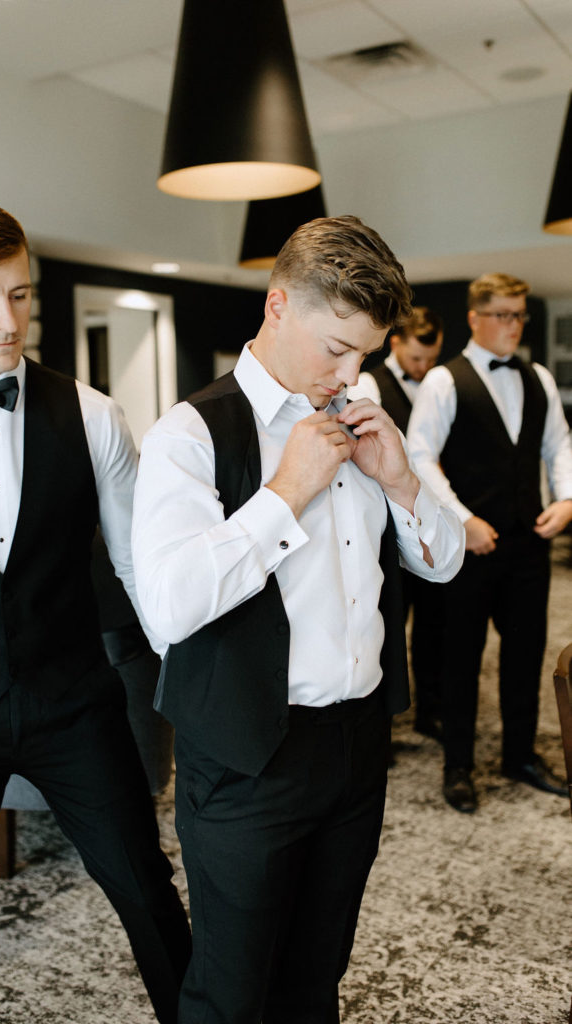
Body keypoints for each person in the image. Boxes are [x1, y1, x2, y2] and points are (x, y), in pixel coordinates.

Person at [132, 215, 464, 1024]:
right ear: (278, 305)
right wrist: (285, 493)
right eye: (336, 348)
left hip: (356, 746)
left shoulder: (361, 409)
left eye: (366, 355)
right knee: (231, 990)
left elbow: (444, 560)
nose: (350, 374)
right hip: (248, 756)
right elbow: (169, 607)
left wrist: (400, 483)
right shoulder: (188, 434)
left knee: (317, 978)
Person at [0, 196, 191, 1024]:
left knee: (147, 892)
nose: (7, 319)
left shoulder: (94, 415)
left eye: (19, 294)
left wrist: (198, 687)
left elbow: (143, 572)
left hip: (78, 708)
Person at [407, 272, 572, 814]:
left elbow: (559, 445)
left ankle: (519, 756)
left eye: (519, 314)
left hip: (528, 543)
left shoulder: (540, 378)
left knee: (525, 655)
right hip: (469, 550)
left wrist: (568, 499)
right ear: (475, 318)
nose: (513, 325)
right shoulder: (443, 381)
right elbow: (419, 457)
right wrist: (462, 518)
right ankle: (457, 765)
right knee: (462, 658)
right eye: (502, 314)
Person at [349, 307, 445, 739]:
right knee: (387, 624)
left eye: (431, 360)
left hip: (424, 513)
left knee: (432, 630)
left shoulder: (442, 386)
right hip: (387, 523)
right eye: (416, 359)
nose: (423, 369)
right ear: (396, 343)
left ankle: (429, 712)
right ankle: (381, 724)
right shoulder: (369, 384)